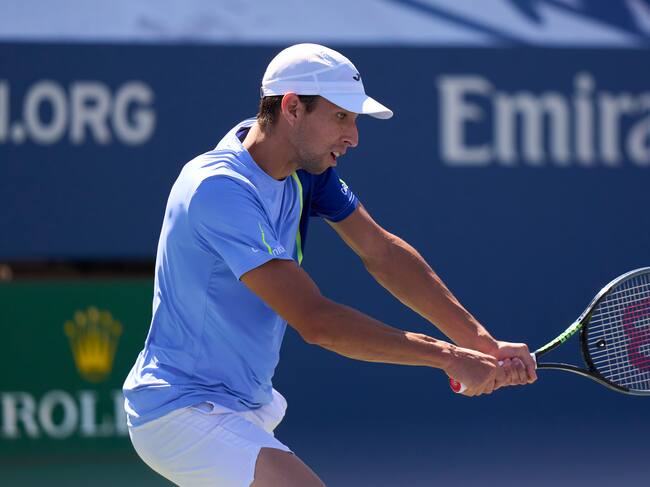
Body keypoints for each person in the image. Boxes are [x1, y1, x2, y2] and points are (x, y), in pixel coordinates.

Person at [123, 43, 537, 487]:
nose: (354, 137)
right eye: (341, 117)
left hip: (245, 406)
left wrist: (479, 342)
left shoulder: (305, 172)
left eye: (354, 120)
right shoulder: (218, 189)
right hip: (182, 410)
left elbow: (382, 253)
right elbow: (318, 322)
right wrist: (448, 357)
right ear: (292, 108)